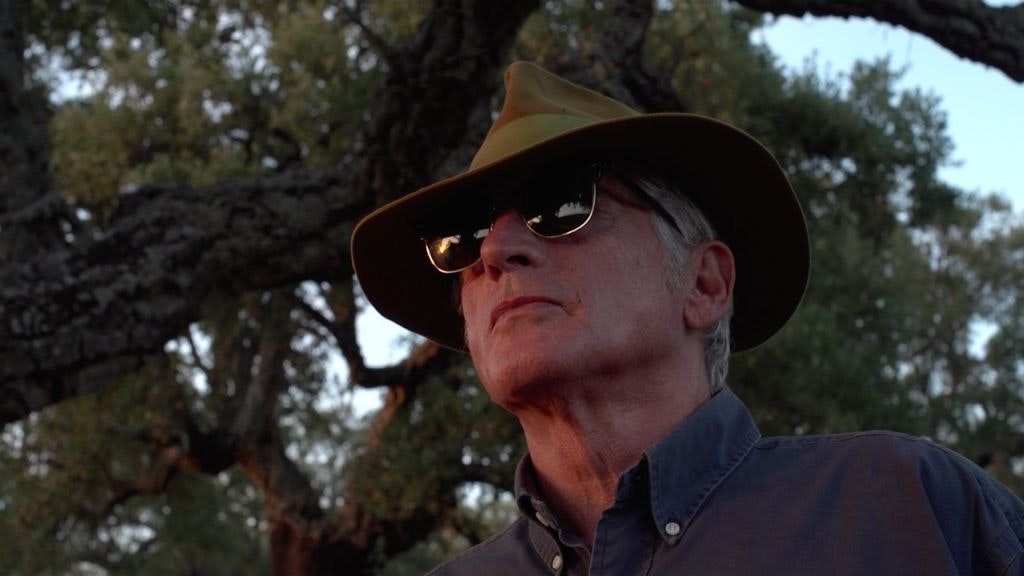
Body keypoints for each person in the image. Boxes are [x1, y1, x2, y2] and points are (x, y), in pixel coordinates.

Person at [351, 61, 1024, 575]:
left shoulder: (909, 509)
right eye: (461, 238)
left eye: (561, 203)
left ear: (704, 284)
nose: (496, 251)